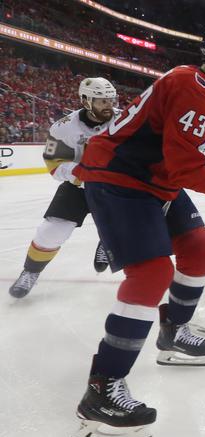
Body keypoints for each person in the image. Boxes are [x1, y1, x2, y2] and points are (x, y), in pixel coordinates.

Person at [68, 26, 205, 437]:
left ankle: (173, 332)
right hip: (119, 177)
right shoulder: (191, 87)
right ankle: (101, 392)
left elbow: (178, 162)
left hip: (154, 180)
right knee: (151, 274)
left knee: (199, 246)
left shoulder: (201, 90)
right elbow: (183, 164)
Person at [8, 77, 118, 299]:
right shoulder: (63, 128)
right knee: (51, 231)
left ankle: (106, 242)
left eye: (110, 100)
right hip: (78, 187)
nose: (109, 105)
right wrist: (80, 171)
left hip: (115, 187)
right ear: (86, 101)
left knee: (126, 225)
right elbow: (53, 164)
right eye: (102, 101)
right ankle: (30, 272)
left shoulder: (124, 119)